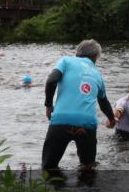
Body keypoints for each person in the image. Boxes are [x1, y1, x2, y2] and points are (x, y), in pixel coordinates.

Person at [41, 39, 116, 172]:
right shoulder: (97, 74)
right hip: (87, 123)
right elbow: (104, 102)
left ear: (77, 52)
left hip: (61, 120)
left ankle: (55, 190)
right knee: (88, 169)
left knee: (49, 167)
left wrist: (48, 105)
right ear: (96, 57)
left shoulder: (66, 61)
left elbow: (51, 80)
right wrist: (112, 119)